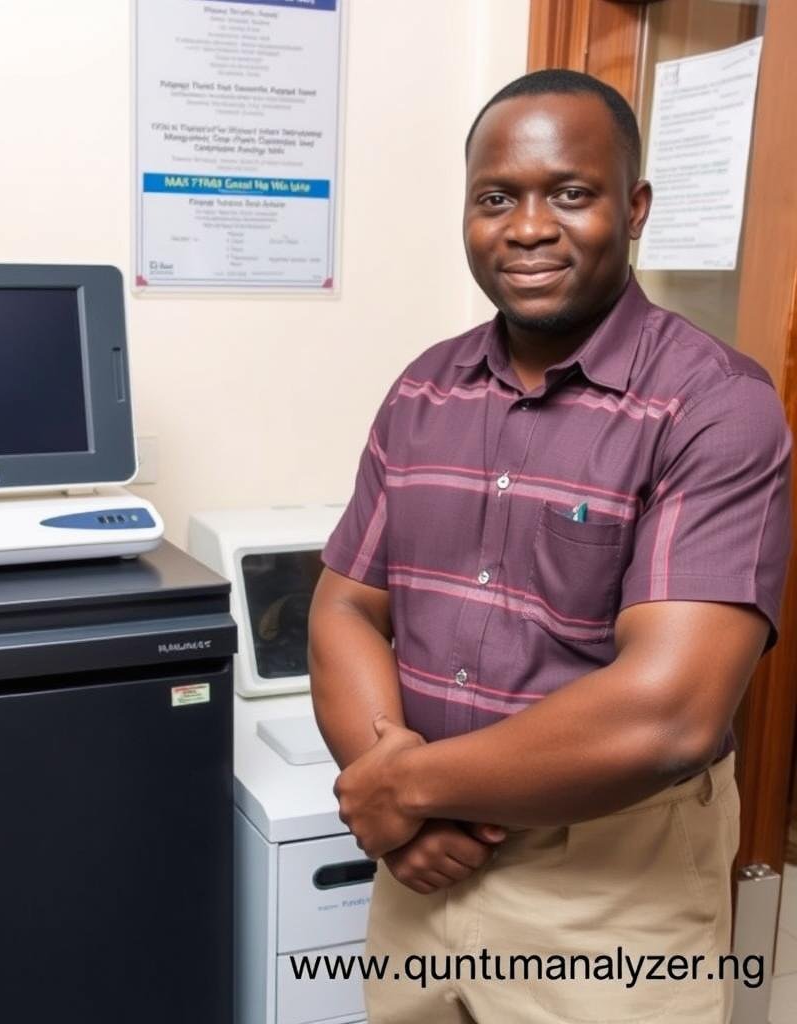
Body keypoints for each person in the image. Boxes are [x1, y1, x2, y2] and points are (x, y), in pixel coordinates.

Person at [309, 68, 791, 1024]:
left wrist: (401, 787)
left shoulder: (715, 406)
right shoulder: (424, 390)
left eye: (570, 193)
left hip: (607, 890)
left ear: (635, 207)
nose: (528, 228)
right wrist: (402, 814)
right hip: (419, 871)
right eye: (497, 199)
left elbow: (671, 715)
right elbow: (345, 607)